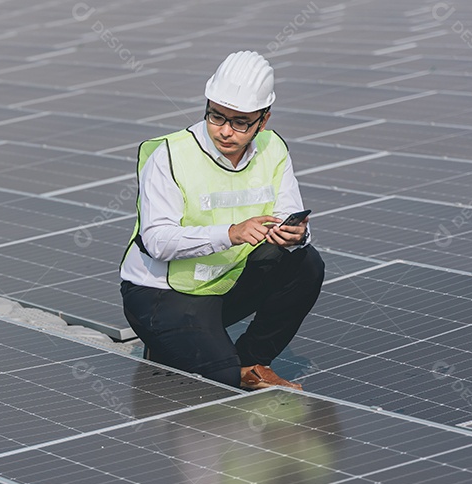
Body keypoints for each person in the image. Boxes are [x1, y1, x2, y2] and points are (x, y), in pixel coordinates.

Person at [119, 50, 324, 391]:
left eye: (240, 121)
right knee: (220, 380)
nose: (226, 131)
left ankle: (253, 360)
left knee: (306, 263)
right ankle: (171, 343)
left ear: (264, 119)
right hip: (161, 295)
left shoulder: (273, 149)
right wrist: (231, 234)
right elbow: (156, 240)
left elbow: (292, 218)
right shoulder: (170, 154)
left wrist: (296, 235)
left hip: (223, 283)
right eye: (216, 116)